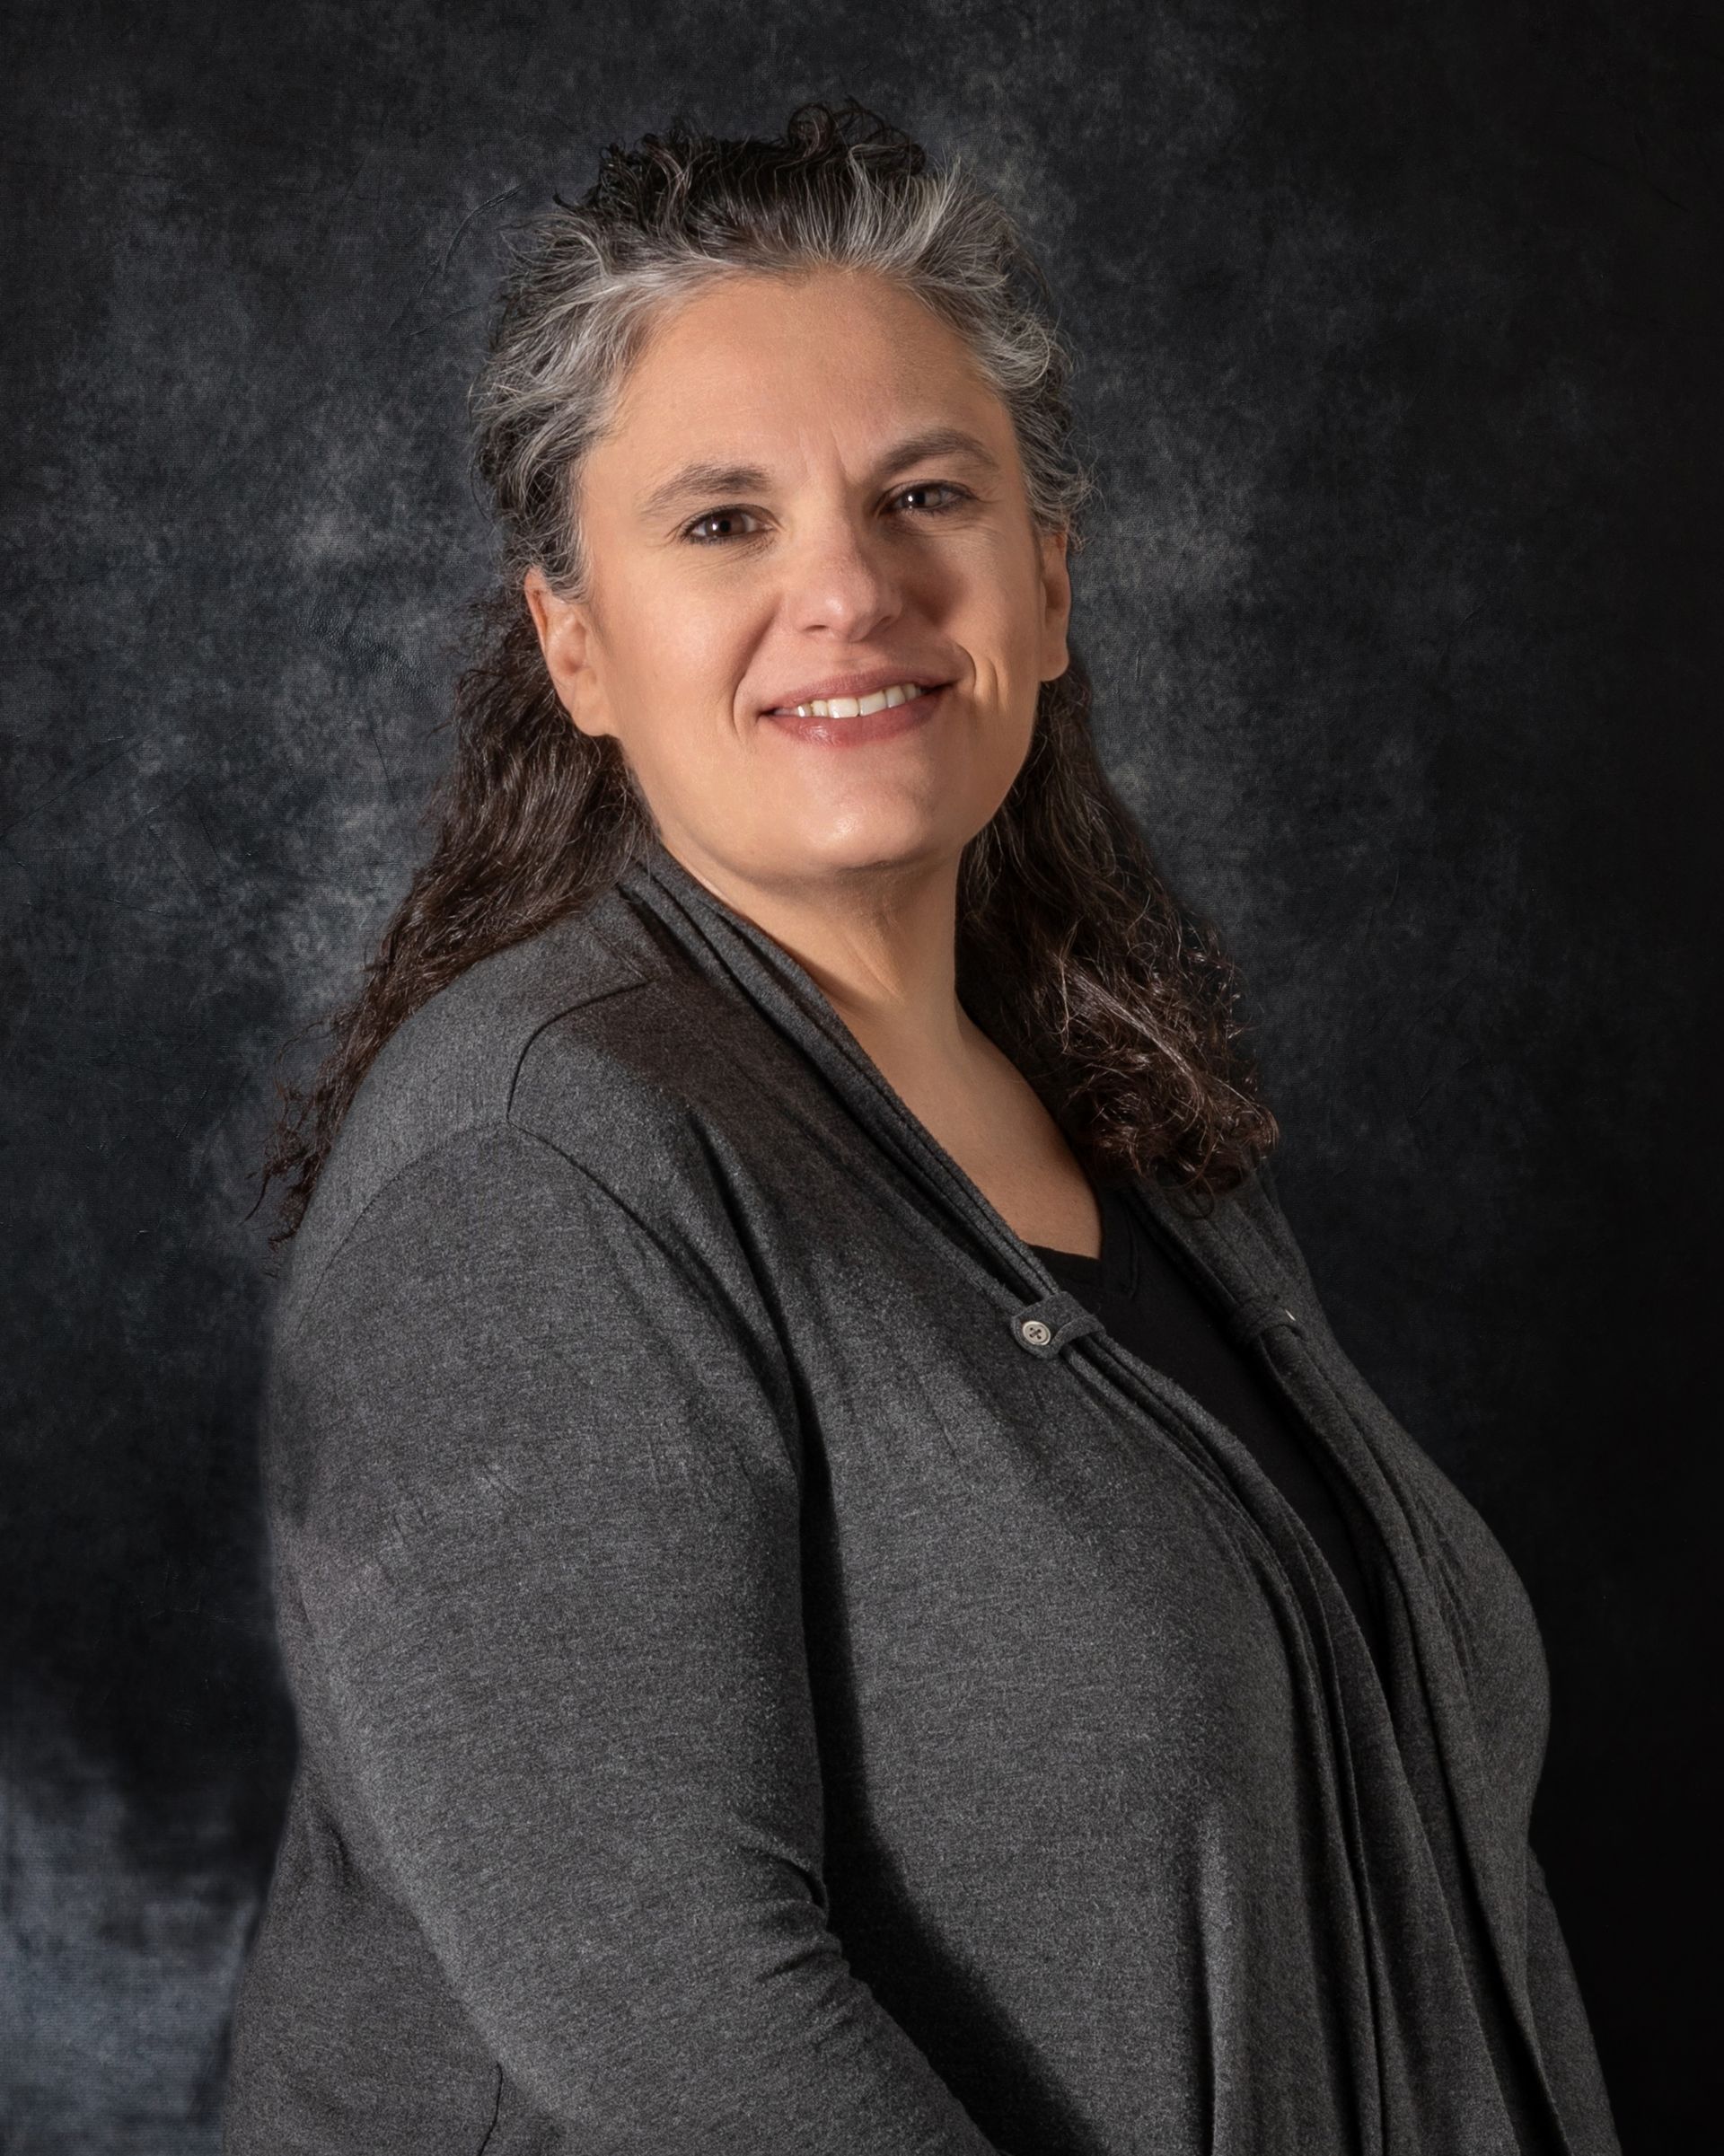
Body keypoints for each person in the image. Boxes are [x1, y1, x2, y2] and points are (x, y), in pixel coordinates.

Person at [224, 101, 1622, 2155]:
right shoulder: (535, 1170)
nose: (849, 592)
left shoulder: (1129, 1133)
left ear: (1044, 590)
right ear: (577, 646)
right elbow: (684, 2023)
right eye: (723, 525)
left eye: (924, 494)